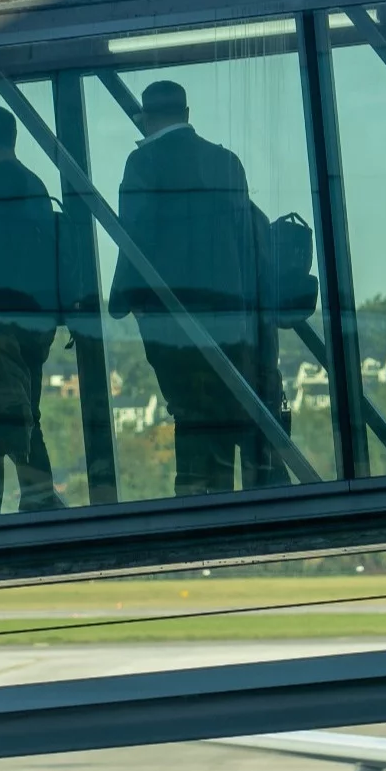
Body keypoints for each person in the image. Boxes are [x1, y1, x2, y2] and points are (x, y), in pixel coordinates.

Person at [108, 79, 274, 497]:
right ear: (187, 113)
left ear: (146, 118)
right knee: (230, 408)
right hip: (231, 316)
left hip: (173, 319)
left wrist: (129, 301)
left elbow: (136, 234)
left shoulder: (142, 163)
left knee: (191, 414)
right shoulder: (227, 162)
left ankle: (201, 499)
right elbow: (246, 237)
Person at [0, 106, 64, 511]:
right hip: (36, 320)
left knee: (0, 416)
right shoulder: (34, 184)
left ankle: (15, 503)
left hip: (0, 321)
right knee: (24, 409)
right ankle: (36, 497)